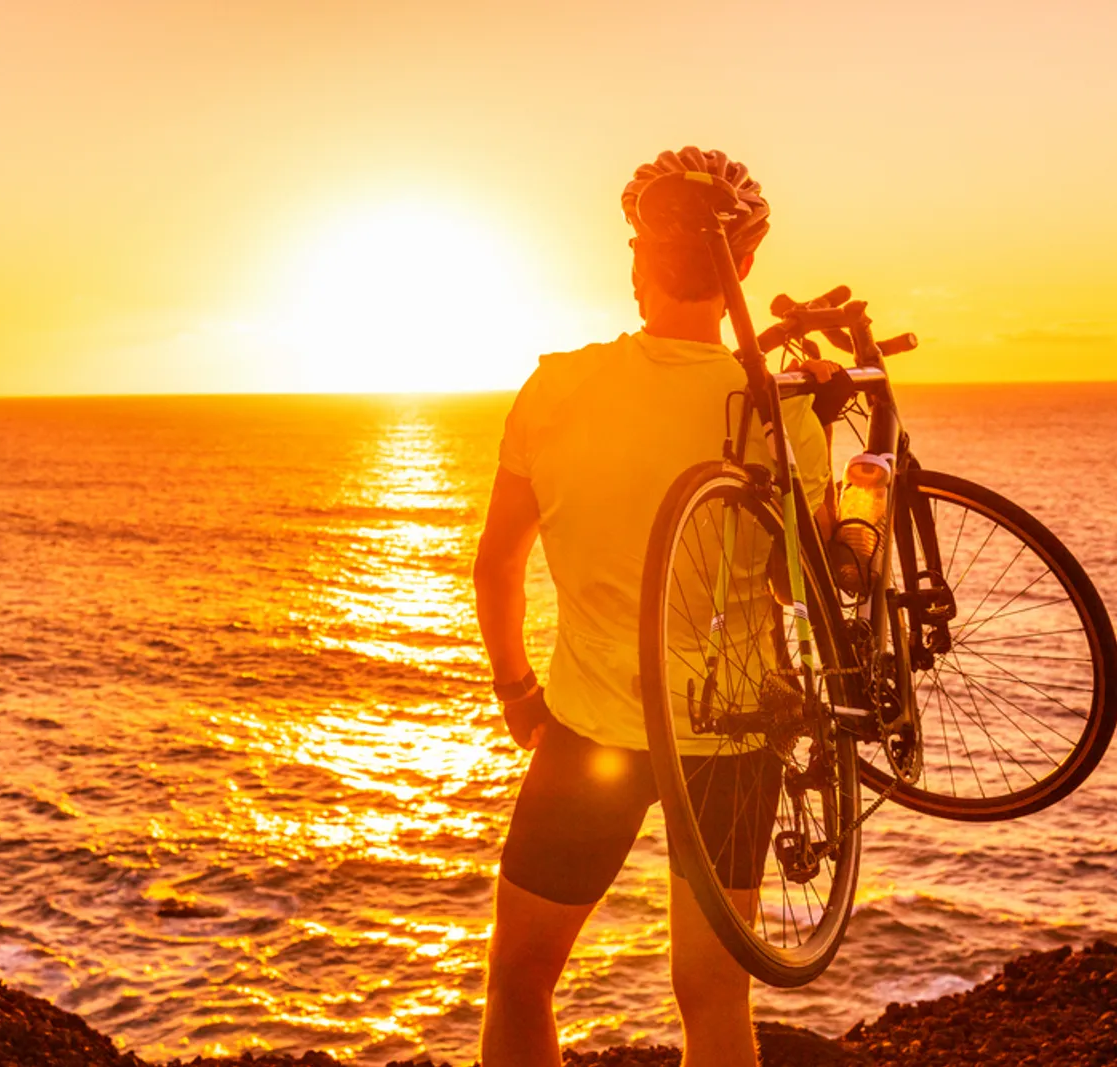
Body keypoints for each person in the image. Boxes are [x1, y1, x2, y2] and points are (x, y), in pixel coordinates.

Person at [473, 147, 840, 1067]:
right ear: (742, 270)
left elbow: (496, 565)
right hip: (734, 733)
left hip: (589, 729)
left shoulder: (556, 389)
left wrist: (516, 690)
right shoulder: (777, 412)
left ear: (638, 261)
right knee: (715, 995)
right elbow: (806, 587)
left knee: (522, 979)